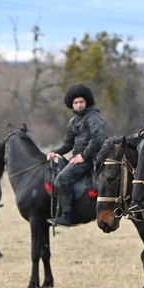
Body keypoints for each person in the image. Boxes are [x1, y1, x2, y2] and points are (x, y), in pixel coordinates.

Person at [46, 83, 106, 227]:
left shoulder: (93, 118)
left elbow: (98, 139)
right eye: (76, 102)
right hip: (78, 157)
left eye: (81, 102)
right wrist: (56, 152)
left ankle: (66, 217)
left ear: (86, 102)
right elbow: (68, 144)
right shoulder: (73, 121)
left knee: (61, 179)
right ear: (71, 104)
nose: (78, 105)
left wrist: (83, 156)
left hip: (91, 159)